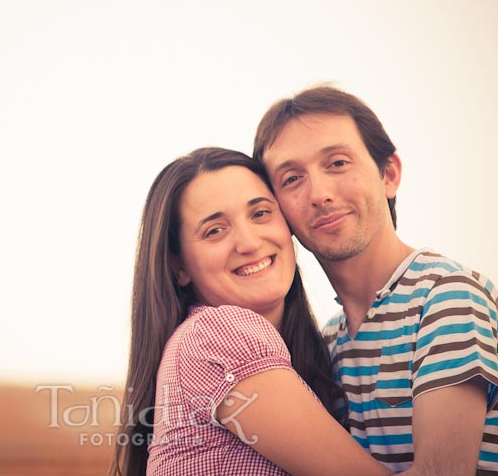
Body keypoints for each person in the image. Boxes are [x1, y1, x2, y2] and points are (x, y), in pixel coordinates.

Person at [253, 85, 498, 475]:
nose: (319, 194)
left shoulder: (446, 297)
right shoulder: (328, 342)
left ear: (389, 174)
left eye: (337, 163)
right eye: (292, 178)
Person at [111, 147, 391, 476]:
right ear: (179, 265)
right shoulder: (217, 333)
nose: (249, 242)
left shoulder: (315, 352)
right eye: (214, 231)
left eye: (260, 214)